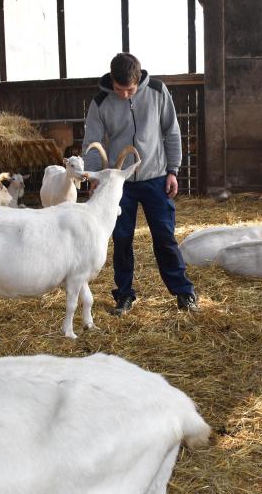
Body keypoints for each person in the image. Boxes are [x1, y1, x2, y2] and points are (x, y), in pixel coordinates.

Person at [82, 52, 198, 315]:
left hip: (156, 177)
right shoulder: (100, 102)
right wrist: (94, 177)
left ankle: (184, 292)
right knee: (122, 239)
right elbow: (92, 142)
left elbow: (171, 131)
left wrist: (173, 170)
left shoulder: (157, 91)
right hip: (119, 183)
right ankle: (124, 295)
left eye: (130, 90)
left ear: (139, 80)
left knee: (165, 237)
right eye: (119, 89)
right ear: (112, 80)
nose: (125, 95)